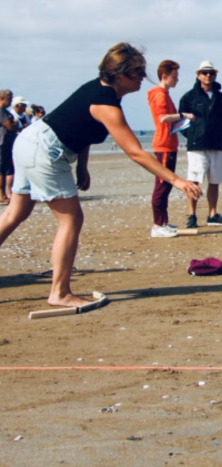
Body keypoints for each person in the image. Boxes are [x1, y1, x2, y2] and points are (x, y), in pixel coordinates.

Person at [0, 42, 201, 308]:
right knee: (71, 219)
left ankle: (59, 290)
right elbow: (136, 153)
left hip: (31, 142)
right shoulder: (106, 104)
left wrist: (82, 167)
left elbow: (80, 128)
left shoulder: (100, 91)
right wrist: (177, 180)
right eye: (138, 73)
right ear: (120, 74)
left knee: (17, 212)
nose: (142, 77)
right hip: (44, 150)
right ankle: (59, 292)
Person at [180, 60, 222, 228]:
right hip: (197, 145)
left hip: (215, 144)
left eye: (211, 72)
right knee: (194, 181)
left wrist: (219, 138)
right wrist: (193, 135)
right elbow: (181, 122)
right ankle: (191, 215)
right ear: (198, 75)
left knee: (214, 180)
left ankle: (213, 214)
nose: (208, 75)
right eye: (204, 72)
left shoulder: (221, 98)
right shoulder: (189, 97)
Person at [148, 59, 194, 238]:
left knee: (166, 185)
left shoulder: (164, 93)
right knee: (162, 184)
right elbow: (162, 118)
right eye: (174, 77)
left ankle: (163, 222)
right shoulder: (159, 94)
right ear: (164, 76)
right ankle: (157, 225)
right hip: (164, 144)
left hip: (169, 143)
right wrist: (183, 115)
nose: (177, 80)